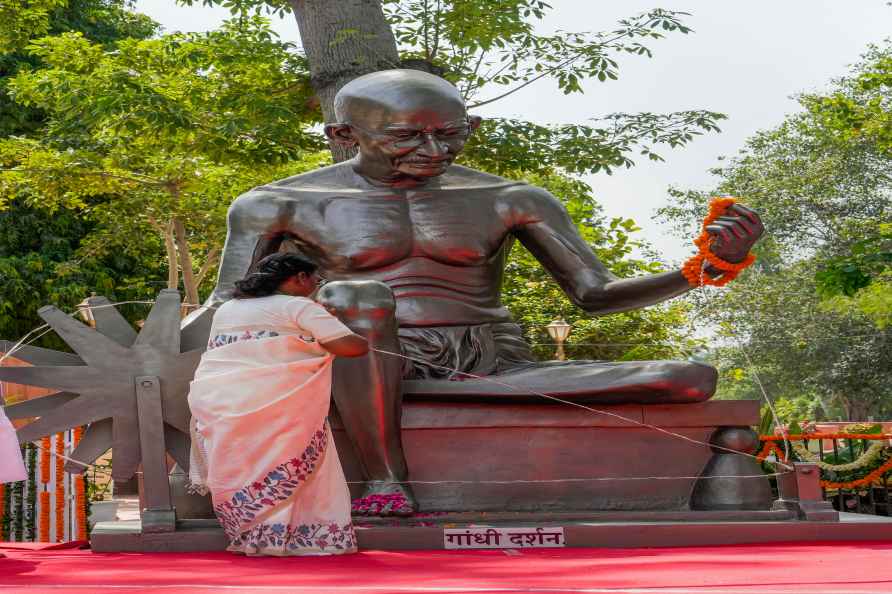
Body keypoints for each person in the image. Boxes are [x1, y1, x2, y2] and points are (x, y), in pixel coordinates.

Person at [199, 69, 764, 515]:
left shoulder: (511, 198)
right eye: (405, 136)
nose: (434, 150)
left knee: (689, 378)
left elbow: (594, 294)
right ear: (344, 135)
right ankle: (385, 479)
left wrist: (707, 266)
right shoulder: (277, 203)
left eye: (450, 134)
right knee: (357, 297)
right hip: (356, 354)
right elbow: (229, 307)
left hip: (489, 357)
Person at [187, 253, 368, 556]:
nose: (315, 286)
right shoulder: (299, 306)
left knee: (245, 465)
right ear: (299, 278)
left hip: (225, 401)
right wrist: (334, 326)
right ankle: (303, 539)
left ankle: (253, 536)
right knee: (294, 464)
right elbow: (352, 346)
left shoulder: (228, 309)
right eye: (315, 280)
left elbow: (230, 353)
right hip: (284, 407)